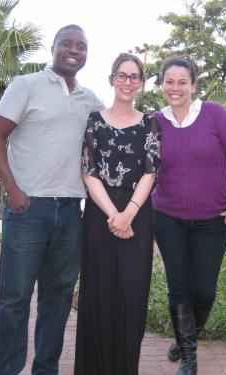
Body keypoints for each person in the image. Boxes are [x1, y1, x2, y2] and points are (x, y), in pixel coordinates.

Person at [0, 24, 103, 375]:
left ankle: (45, 369)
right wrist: (13, 190)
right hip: (28, 209)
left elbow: (115, 128)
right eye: (66, 43)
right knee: (15, 299)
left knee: (59, 300)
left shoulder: (89, 99)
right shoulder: (26, 86)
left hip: (69, 212)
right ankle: (6, 370)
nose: (74, 50)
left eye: (81, 46)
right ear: (53, 48)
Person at [152, 56, 226, 375]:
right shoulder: (156, 121)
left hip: (212, 220)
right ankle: (189, 357)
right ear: (162, 84)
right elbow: (146, 169)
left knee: (204, 291)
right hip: (167, 217)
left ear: (194, 85)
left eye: (183, 82)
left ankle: (186, 337)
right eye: (169, 81)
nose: (175, 87)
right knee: (179, 286)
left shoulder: (214, 114)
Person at [74, 53, 161, 375]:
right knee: (99, 293)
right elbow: (89, 171)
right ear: (112, 79)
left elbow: (150, 172)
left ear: (142, 83)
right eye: (122, 75)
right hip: (100, 214)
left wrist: (129, 214)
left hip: (138, 213)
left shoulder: (150, 123)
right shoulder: (94, 121)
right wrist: (114, 215)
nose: (128, 82)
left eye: (135, 76)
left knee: (132, 294)